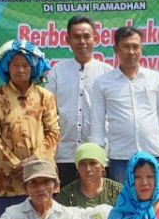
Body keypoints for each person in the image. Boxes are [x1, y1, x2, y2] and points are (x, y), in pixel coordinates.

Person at [0, 39, 60, 219]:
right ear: (7, 67)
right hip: (10, 180)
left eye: (25, 65)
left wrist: (34, 162)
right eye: (15, 65)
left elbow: (53, 132)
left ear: (33, 68)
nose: (20, 70)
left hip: (41, 174)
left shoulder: (45, 97)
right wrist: (16, 166)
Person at [90, 26, 159, 182]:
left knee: (155, 202)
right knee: (125, 202)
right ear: (116, 49)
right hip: (120, 157)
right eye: (126, 46)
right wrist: (97, 158)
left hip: (154, 154)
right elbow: (97, 125)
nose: (131, 51)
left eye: (135, 46)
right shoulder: (103, 83)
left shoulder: (154, 78)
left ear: (141, 49)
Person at [47, 16, 114, 186]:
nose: (82, 41)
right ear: (68, 40)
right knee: (65, 208)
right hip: (64, 155)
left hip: (97, 155)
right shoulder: (57, 71)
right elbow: (48, 112)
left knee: (97, 207)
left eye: (87, 36)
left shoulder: (108, 73)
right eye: (76, 37)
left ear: (95, 39)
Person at [57, 142, 122, 219]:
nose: (88, 169)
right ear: (77, 168)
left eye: (93, 163)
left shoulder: (118, 191)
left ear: (102, 167)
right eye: (82, 164)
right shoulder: (67, 194)